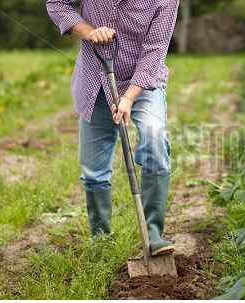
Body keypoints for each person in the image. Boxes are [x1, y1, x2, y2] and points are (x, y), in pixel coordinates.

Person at [46, 0, 179, 256]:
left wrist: (128, 98)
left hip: (143, 81)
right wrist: (88, 30)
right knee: (93, 169)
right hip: (95, 78)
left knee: (154, 137)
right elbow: (57, 3)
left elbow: (156, 49)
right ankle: (101, 240)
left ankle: (153, 233)